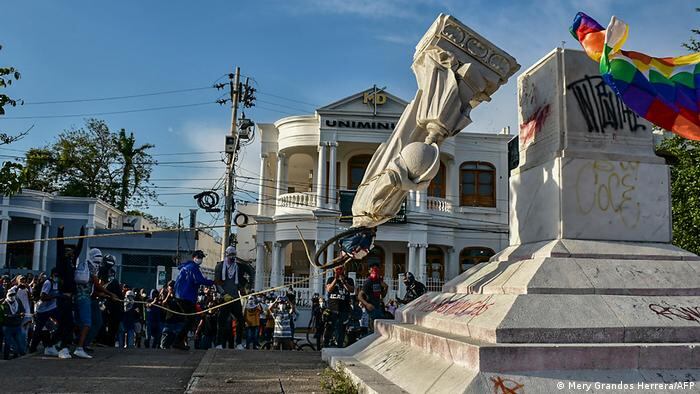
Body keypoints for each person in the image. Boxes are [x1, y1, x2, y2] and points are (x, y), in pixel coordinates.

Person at [213, 246, 254, 350]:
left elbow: (241, 280)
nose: (232, 258)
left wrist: (245, 288)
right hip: (225, 298)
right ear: (226, 254)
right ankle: (219, 344)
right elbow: (217, 283)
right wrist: (223, 294)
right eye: (230, 255)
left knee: (240, 320)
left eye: (234, 255)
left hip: (235, 298)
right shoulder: (220, 266)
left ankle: (239, 343)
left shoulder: (237, 267)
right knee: (221, 322)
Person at [173, 250, 214, 350]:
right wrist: (213, 282)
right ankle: (178, 341)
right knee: (190, 320)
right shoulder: (193, 268)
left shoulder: (185, 267)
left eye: (202, 257)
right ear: (194, 257)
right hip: (186, 297)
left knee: (187, 319)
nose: (201, 259)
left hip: (179, 296)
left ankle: (179, 341)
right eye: (200, 257)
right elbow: (200, 280)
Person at [54, 225, 84, 359]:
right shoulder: (61, 262)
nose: (70, 252)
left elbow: (79, 248)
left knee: (66, 325)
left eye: (71, 251)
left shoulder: (72, 263)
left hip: (69, 298)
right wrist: (60, 232)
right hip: (63, 297)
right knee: (66, 324)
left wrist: (82, 233)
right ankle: (63, 348)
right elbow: (59, 246)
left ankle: (50, 346)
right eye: (68, 251)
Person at [29, 268, 61, 355]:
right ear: (53, 274)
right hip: (42, 309)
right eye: (57, 275)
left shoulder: (56, 283)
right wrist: (56, 296)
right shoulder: (48, 283)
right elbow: (43, 297)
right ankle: (33, 348)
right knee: (38, 329)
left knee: (63, 324)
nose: (58, 277)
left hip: (52, 308)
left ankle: (51, 344)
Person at [324, 266, 354, 347]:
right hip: (332, 309)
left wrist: (343, 281)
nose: (339, 270)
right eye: (337, 269)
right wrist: (335, 279)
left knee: (341, 329)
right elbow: (329, 289)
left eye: (341, 269)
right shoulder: (330, 279)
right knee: (330, 328)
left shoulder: (349, 280)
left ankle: (339, 346)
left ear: (344, 269)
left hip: (343, 309)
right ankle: (326, 345)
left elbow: (351, 290)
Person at [358, 262, 388, 333]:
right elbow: (360, 295)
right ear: (369, 270)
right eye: (373, 268)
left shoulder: (379, 281)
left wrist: (386, 288)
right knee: (374, 326)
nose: (375, 269)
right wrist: (367, 304)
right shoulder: (368, 281)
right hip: (371, 307)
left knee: (380, 325)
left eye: (376, 268)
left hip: (377, 305)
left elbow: (382, 295)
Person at [2, 287, 26, 359]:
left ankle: (20, 354)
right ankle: (6, 357)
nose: (12, 296)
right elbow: (6, 315)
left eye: (13, 294)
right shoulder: (4, 303)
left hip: (17, 325)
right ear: (7, 295)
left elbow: (22, 310)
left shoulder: (18, 301)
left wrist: (22, 314)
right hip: (7, 327)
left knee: (19, 342)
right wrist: (18, 315)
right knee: (8, 343)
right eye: (10, 295)